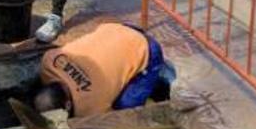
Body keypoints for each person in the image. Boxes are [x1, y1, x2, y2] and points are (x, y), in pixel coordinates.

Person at [34, 23, 176, 117]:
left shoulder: (90, 106)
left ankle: (160, 75)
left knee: (125, 108)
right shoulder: (49, 61)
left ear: (68, 104)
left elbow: (109, 120)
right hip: (113, 28)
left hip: (145, 47)